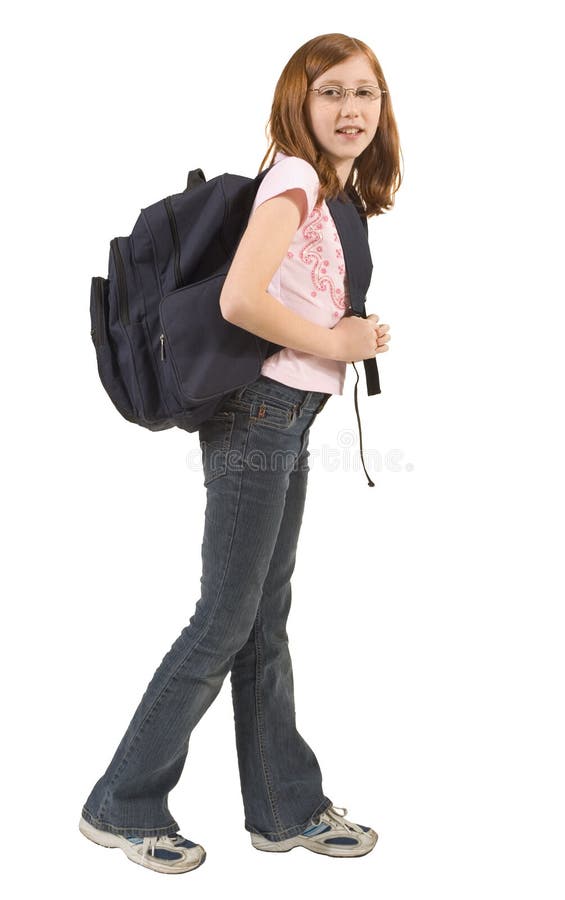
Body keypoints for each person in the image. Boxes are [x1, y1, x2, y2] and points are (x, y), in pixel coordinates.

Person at [79, 31, 401, 875]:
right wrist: (340, 337)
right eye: (330, 92)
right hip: (259, 415)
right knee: (225, 617)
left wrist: (344, 340)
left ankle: (283, 808)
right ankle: (124, 801)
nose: (350, 109)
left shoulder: (330, 193)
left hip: (288, 415)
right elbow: (241, 299)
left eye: (364, 93)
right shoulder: (294, 180)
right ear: (299, 103)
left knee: (262, 616)